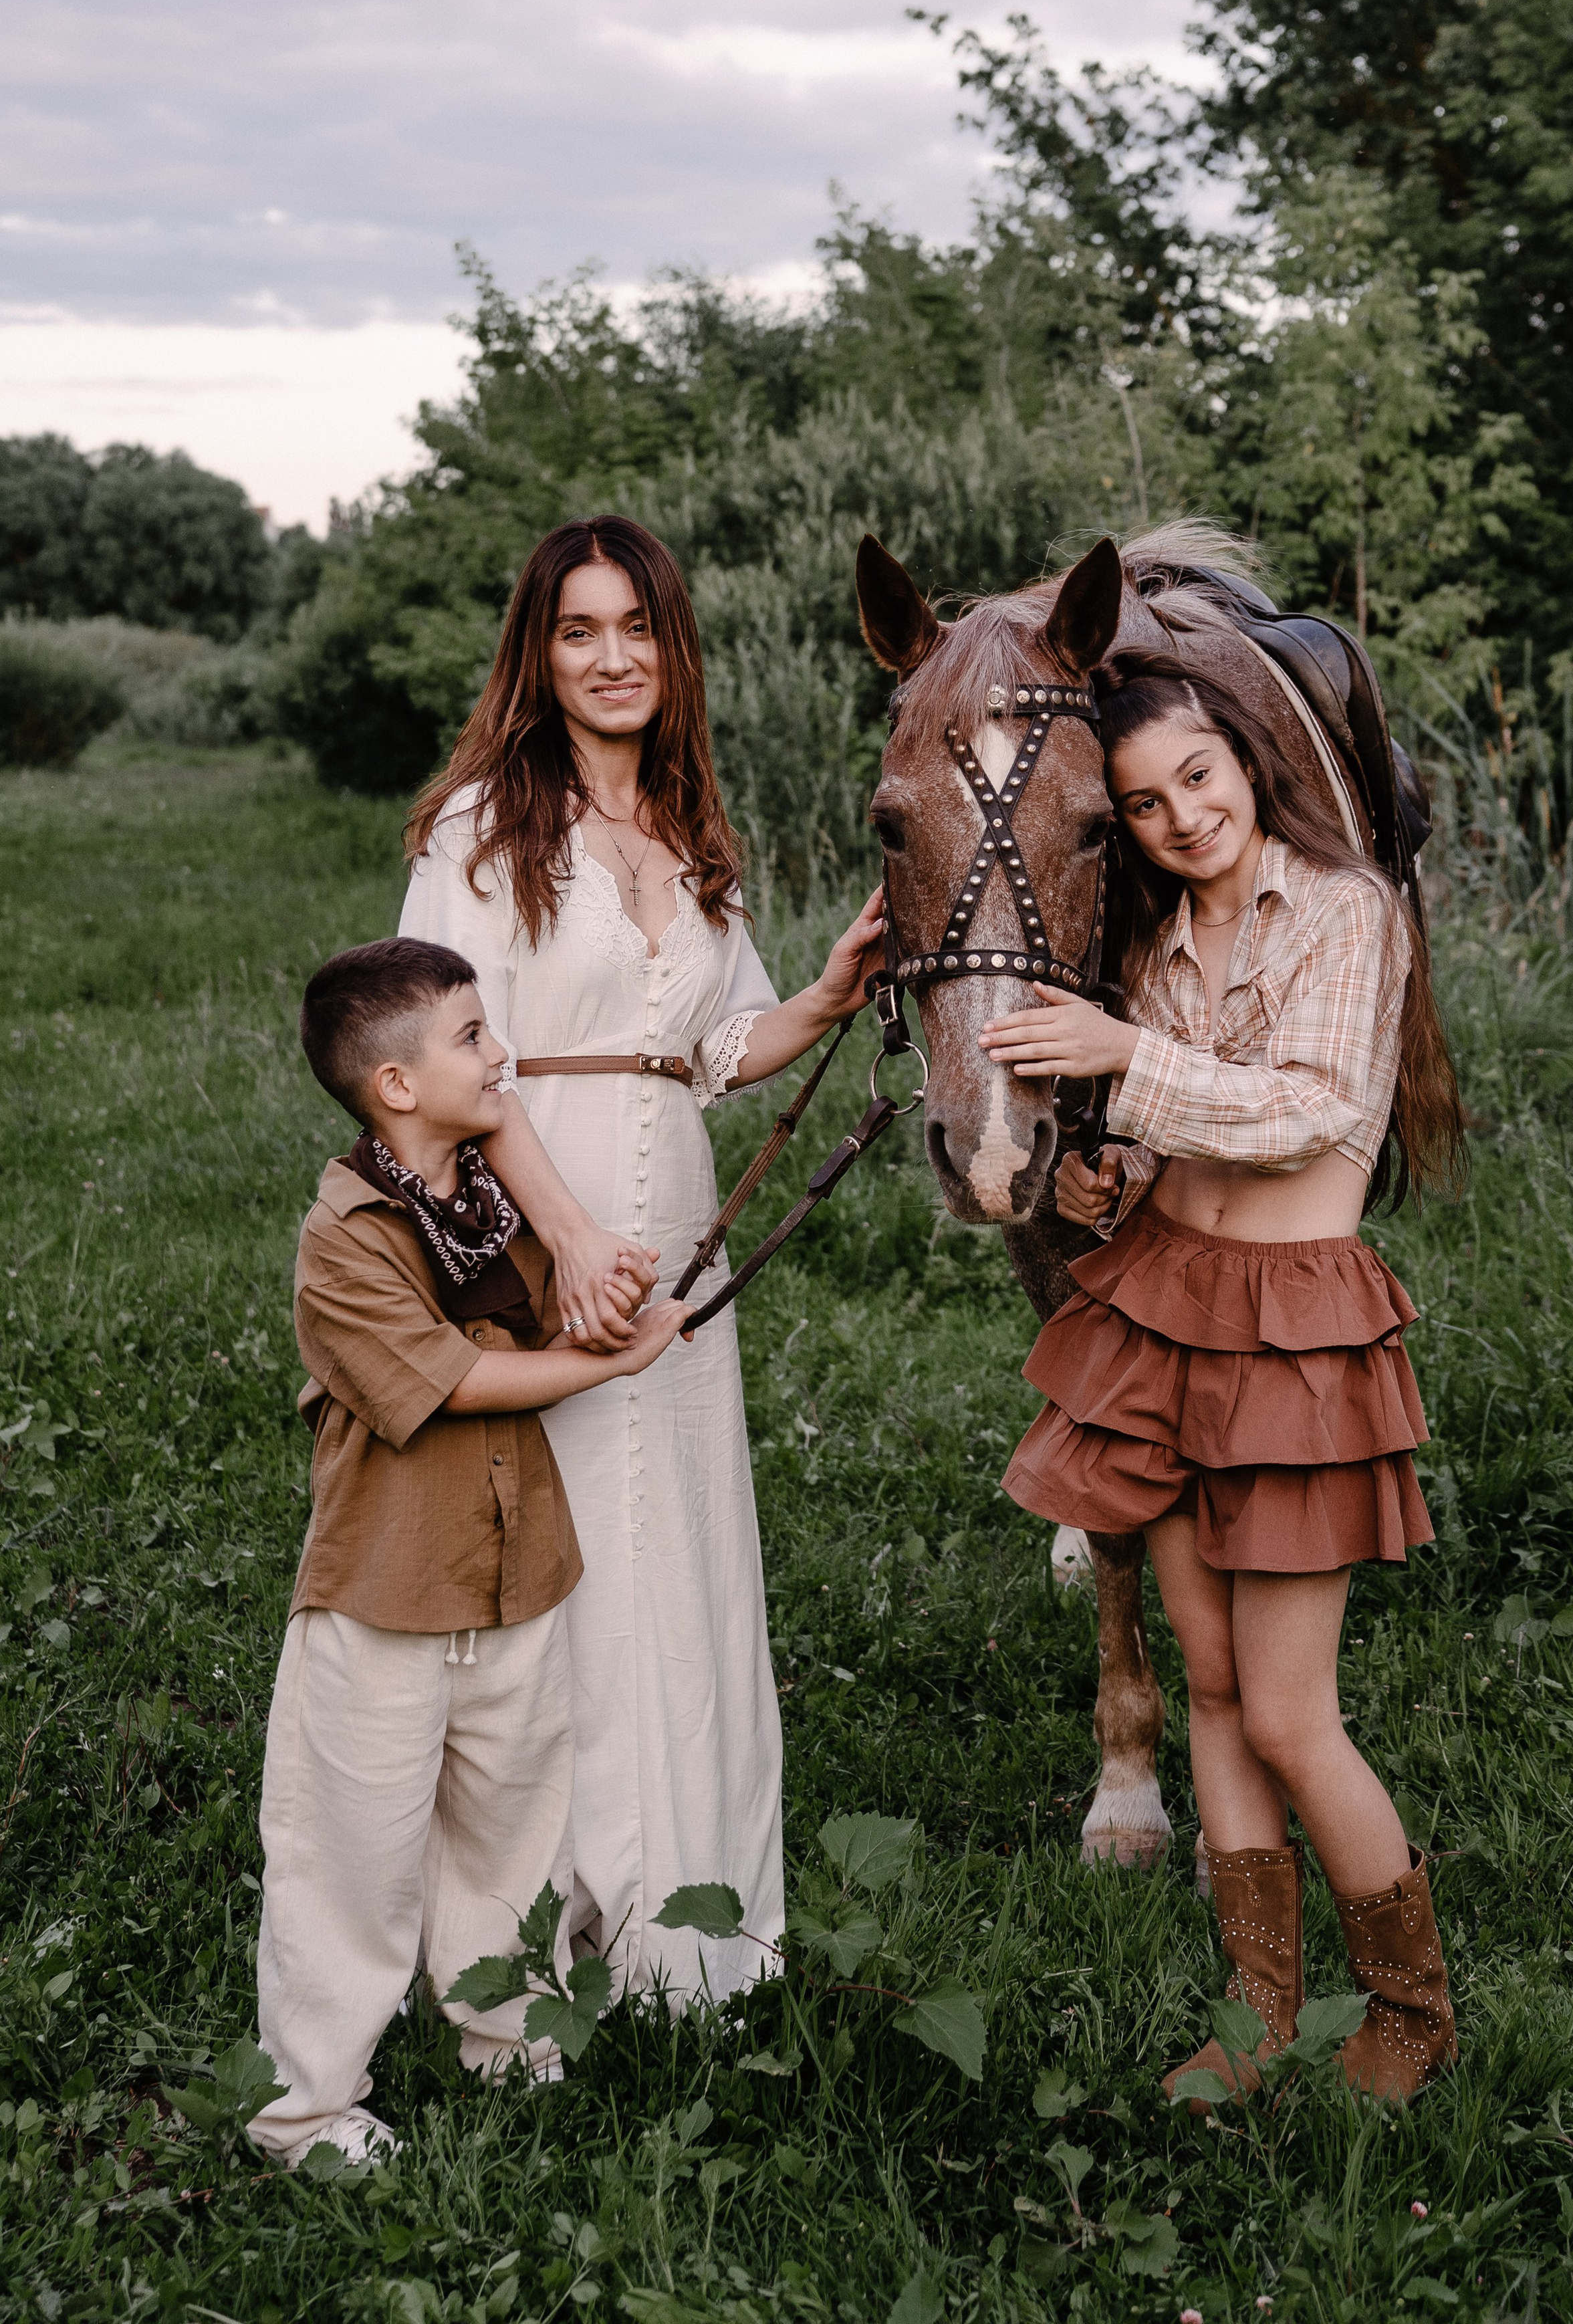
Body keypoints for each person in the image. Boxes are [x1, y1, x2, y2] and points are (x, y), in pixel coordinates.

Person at [398, 515, 882, 2002]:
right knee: (568, 1559)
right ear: (536, 656)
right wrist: (568, 1235)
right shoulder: (484, 827)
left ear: (673, 649)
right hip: (544, 1224)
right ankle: (548, 1931)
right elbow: (447, 1055)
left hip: (667, 1229)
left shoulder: (687, 833)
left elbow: (710, 1049)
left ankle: (697, 1922)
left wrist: (826, 990)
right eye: (578, 632)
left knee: (678, 1550)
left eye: (637, 630)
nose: (613, 660)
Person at [979, 661, 1466, 2105]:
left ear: (1245, 763)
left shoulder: (1344, 912)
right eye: (1141, 803)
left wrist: (1125, 1063)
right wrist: (1087, 1157)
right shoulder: (1151, 944)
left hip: (1294, 1336)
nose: (1179, 816)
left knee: (1288, 1710)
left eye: (1196, 778)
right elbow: (1150, 1141)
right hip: (1163, 1306)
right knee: (1202, 1678)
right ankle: (1261, 2010)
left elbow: (1315, 1107)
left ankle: (1410, 2010)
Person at [250, 936, 692, 2168]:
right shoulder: (343, 1238)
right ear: (396, 1086)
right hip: (386, 1594)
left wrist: (607, 1294)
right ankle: (307, 2109)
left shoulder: (488, 1210)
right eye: (473, 1038)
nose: (501, 1056)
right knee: (352, 1857)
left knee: (511, 1839)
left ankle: (507, 2045)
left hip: (517, 1577)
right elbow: (452, 1383)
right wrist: (613, 1359)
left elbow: (552, 1306)